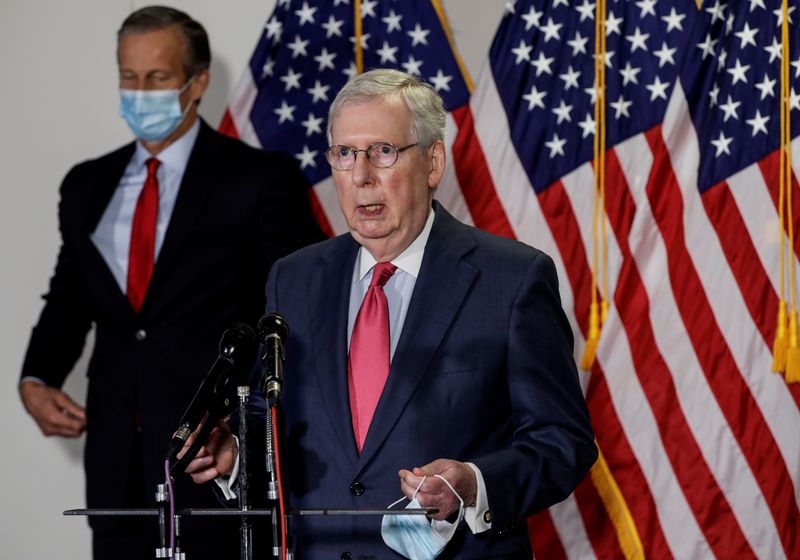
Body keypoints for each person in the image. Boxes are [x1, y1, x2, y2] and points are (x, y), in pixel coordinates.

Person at [185, 68, 597, 558]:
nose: (360, 176)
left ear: (432, 162)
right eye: (344, 154)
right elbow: (269, 419)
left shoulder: (512, 278)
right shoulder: (294, 278)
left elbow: (561, 441)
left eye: (383, 151)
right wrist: (235, 457)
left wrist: (473, 483)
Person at [18, 6, 324, 559]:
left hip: (217, 462)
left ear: (197, 81)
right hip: (115, 469)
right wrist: (36, 376)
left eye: (156, 77)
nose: (140, 92)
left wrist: (242, 417)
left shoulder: (258, 179)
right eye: (128, 77)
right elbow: (70, 296)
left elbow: (297, 310)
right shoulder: (86, 185)